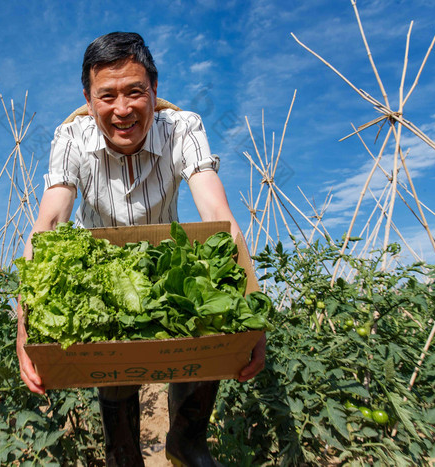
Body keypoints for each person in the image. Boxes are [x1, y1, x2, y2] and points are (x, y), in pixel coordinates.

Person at [16, 31, 267, 466]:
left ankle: (186, 446)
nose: (123, 109)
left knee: (203, 327)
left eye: (135, 92)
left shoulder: (182, 127)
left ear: (154, 89)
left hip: (163, 262)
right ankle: (124, 456)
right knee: (112, 373)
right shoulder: (70, 138)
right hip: (98, 272)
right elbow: (50, 222)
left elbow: (219, 217)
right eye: (107, 96)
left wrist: (253, 316)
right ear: (89, 98)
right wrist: (25, 327)